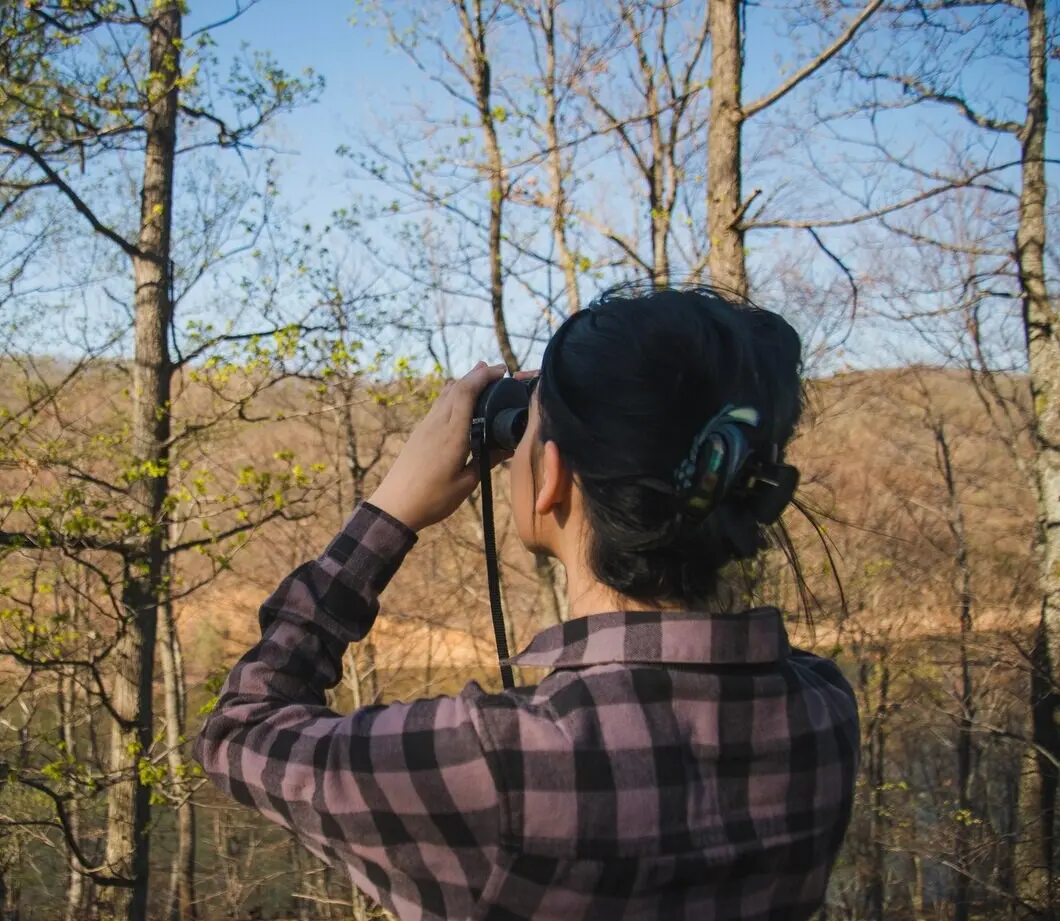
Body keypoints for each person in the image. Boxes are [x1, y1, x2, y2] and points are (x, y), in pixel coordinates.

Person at [194, 287, 860, 921]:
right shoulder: (822, 713)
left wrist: (390, 510)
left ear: (552, 477)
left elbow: (241, 727)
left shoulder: (497, 767)